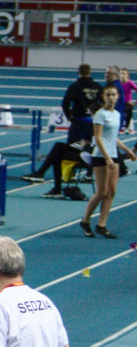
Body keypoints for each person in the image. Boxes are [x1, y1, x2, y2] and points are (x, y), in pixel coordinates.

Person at [80, 83, 136, 239]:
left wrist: (128, 150)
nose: (111, 97)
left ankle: (101, 225)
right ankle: (85, 220)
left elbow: (113, 138)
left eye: (113, 95)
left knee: (111, 192)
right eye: (108, 95)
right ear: (104, 97)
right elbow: (98, 138)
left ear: (118, 97)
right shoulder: (100, 114)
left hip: (114, 156)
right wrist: (107, 157)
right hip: (101, 156)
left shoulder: (117, 114)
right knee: (101, 192)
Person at [21, 139, 90, 201]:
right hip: (88, 153)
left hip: (91, 157)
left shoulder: (96, 127)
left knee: (58, 150)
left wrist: (84, 145)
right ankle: (49, 183)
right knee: (57, 150)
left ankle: (42, 176)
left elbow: (92, 145)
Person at [61, 63, 102, 150]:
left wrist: (68, 116)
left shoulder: (74, 87)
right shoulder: (98, 87)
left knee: (71, 147)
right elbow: (104, 103)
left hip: (78, 121)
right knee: (92, 147)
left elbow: (65, 102)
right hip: (93, 122)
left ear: (78, 72)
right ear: (90, 72)